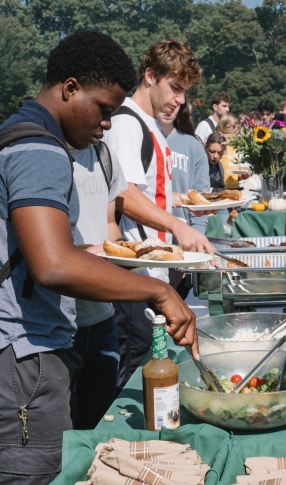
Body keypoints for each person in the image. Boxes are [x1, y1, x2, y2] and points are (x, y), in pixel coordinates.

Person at [0, 31, 197, 485]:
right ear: (70, 87)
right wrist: (155, 291)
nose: (107, 124)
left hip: (4, 352)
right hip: (15, 361)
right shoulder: (38, 151)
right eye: (104, 110)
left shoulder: (14, 134)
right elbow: (54, 264)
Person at [103, 39, 213, 389]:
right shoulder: (126, 123)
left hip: (151, 267)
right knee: (134, 368)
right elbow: (124, 195)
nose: (180, 100)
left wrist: (185, 208)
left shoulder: (148, 125)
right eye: (176, 88)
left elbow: (152, 194)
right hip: (133, 268)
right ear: (150, 76)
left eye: (185, 91)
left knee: (149, 362)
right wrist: (177, 226)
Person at [68, 124, 128, 431]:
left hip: (102, 318)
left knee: (100, 423)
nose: (107, 122)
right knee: (62, 429)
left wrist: (122, 254)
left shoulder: (103, 155)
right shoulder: (46, 158)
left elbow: (109, 224)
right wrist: (91, 254)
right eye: (102, 110)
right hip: (61, 325)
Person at [163, 101, 212, 236]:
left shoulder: (193, 146)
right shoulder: (139, 138)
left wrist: (196, 237)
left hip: (181, 236)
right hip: (141, 234)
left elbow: (200, 200)